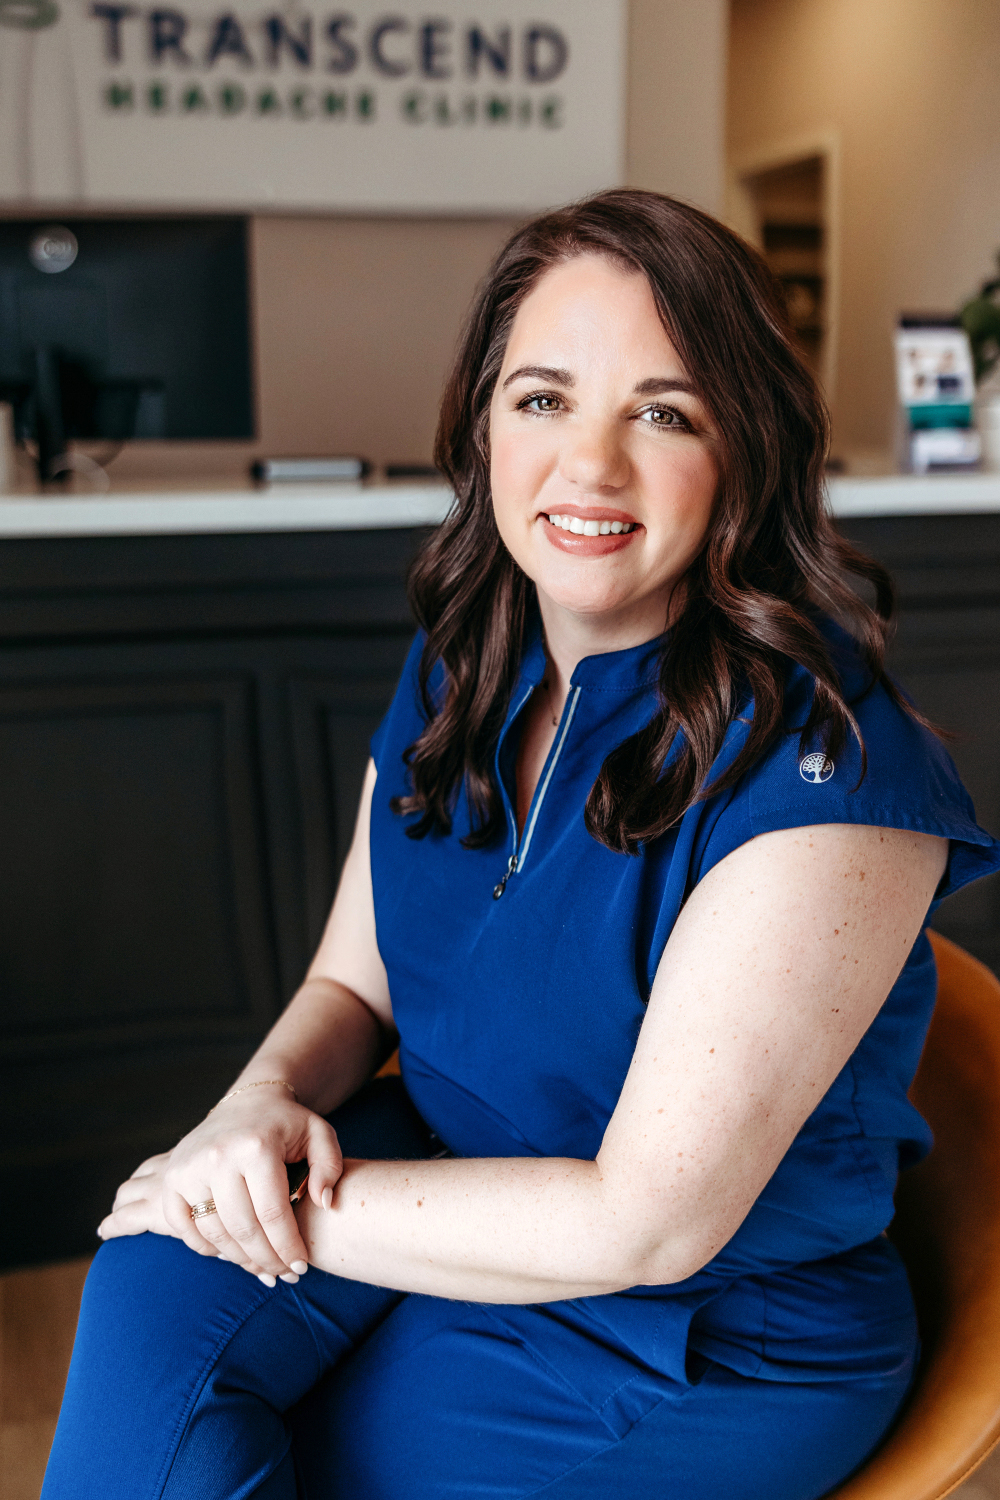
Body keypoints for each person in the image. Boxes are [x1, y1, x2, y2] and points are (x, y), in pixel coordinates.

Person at [43, 190, 1000, 1500]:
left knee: (292, 1450)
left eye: (664, 414)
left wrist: (266, 1205)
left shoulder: (831, 769)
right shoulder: (468, 657)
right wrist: (254, 1108)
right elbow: (353, 981)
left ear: (748, 451)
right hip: (438, 1167)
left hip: (696, 1323)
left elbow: (646, 1225)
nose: (589, 466)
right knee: (147, 1299)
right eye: (543, 398)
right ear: (482, 423)